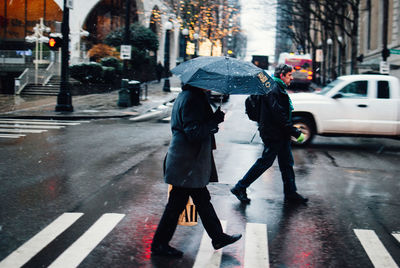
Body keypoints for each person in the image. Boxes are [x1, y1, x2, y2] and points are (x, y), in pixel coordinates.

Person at [151, 84, 242, 258]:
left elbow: (197, 126)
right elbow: (193, 132)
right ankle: (159, 245)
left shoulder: (188, 95)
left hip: (188, 162)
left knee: (201, 200)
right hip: (187, 162)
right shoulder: (192, 98)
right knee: (176, 206)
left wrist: (213, 119)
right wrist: (214, 120)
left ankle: (217, 237)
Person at [230, 64, 308, 204]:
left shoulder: (275, 87)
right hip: (273, 134)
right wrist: (295, 132)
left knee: (286, 163)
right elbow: (279, 115)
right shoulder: (273, 89)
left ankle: (291, 193)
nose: (292, 78)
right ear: (282, 75)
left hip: (279, 133)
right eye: (289, 75)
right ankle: (240, 187)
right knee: (265, 162)